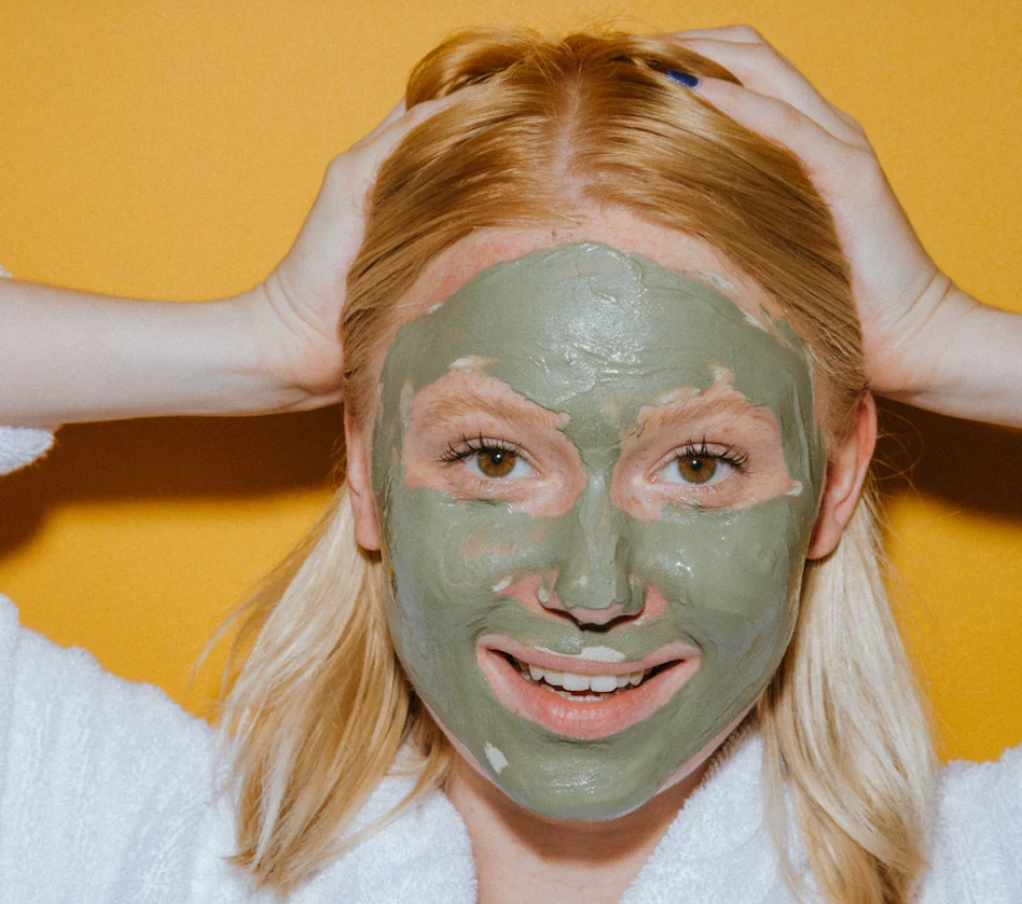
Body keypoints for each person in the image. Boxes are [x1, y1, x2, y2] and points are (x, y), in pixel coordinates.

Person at [0, 24, 1019, 904]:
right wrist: (258, 341)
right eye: (491, 454)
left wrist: (946, 337)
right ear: (367, 467)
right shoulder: (131, 842)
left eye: (699, 466)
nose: (591, 587)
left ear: (832, 486)